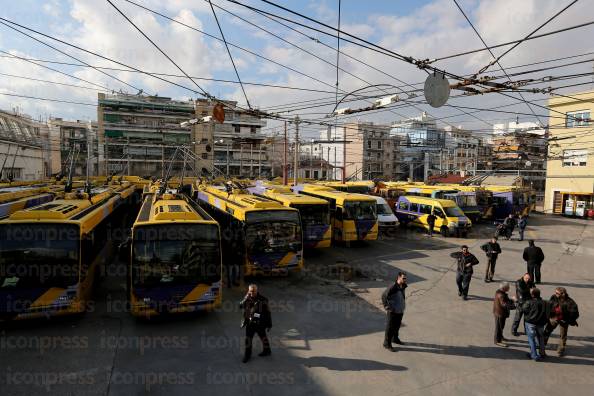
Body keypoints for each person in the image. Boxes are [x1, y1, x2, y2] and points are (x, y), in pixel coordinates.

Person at [240, 284, 272, 363]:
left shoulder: (263, 299)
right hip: (250, 323)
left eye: (253, 291)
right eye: (250, 291)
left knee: (263, 337)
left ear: (257, 291)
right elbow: (240, 306)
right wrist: (245, 298)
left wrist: (269, 324)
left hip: (259, 323)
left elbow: (268, 313)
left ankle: (267, 350)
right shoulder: (247, 298)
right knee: (248, 340)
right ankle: (247, 355)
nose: (252, 293)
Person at [544, 287, 579, 357]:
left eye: (557, 293)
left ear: (563, 294)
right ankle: (542, 345)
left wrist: (568, 320)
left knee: (563, 335)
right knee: (547, 331)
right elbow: (549, 305)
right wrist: (548, 316)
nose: (555, 294)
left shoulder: (570, 302)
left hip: (564, 320)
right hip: (554, 318)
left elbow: (575, 313)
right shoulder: (554, 297)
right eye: (555, 292)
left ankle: (561, 350)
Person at [521, 288, 549, 361]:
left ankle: (534, 355)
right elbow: (548, 313)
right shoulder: (545, 302)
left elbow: (523, 309)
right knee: (541, 338)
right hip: (541, 323)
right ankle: (542, 353)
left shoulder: (529, 302)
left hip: (531, 323)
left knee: (531, 339)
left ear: (532, 295)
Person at [381, 272, 407, 351]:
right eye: (403, 278)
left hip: (400, 310)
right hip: (393, 311)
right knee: (390, 328)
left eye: (405, 278)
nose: (405, 280)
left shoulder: (402, 286)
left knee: (397, 326)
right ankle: (387, 344)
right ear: (399, 278)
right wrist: (387, 307)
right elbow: (384, 296)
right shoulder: (393, 287)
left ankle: (395, 339)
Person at [493, 282, 516, 347]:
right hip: (500, 313)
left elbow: (506, 301)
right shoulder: (501, 295)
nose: (509, 288)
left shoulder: (500, 292)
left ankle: (500, 337)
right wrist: (514, 306)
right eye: (508, 287)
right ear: (504, 288)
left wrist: (512, 300)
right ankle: (497, 341)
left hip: (501, 313)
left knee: (501, 326)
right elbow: (505, 304)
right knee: (499, 327)